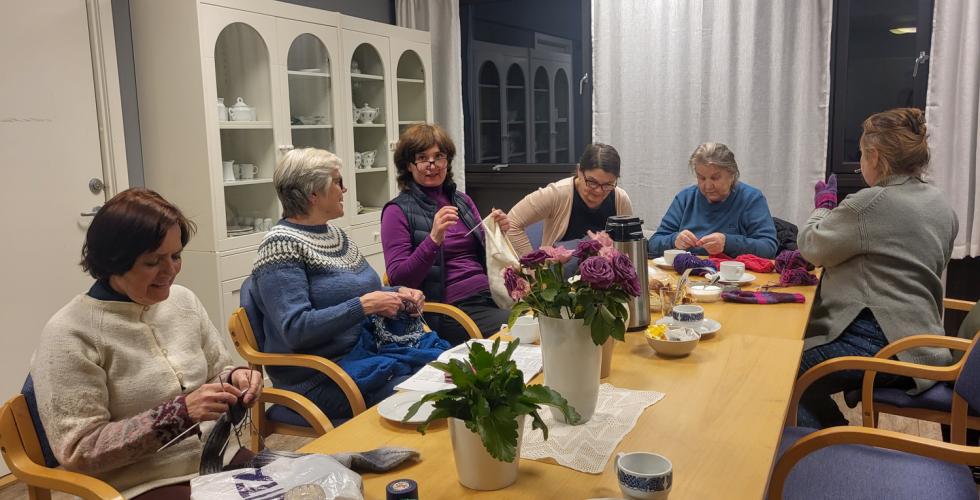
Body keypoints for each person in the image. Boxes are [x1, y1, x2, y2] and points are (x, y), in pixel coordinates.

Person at [32, 188, 263, 499]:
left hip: (218, 461)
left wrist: (236, 380)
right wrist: (181, 413)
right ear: (114, 261)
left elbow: (217, 373)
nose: (170, 271)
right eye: (153, 261)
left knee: (313, 488)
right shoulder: (70, 333)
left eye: (176, 256)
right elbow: (79, 449)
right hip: (138, 485)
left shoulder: (184, 302)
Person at [796, 108, 958, 429]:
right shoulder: (940, 204)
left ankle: (835, 445)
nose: (860, 163)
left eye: (860, 155)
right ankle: (835, 438)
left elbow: (811, 246)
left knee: (784, 372)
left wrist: (823, 206)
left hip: (882, 343)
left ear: (874, 155)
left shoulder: (870, 203)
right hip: (925, 343)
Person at [247, 148, 434, 423]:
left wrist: (398, 295)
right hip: (319, 377)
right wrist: (365, 306)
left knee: (442, 377)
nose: (344, 189)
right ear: (313, 193)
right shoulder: (280, 246)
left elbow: (361, 293)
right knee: (421, 397)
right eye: (337, 182)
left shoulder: (334, 234)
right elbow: (296, 329)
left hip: (363, 356)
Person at [381, 123, 510, 343]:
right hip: (450, 311)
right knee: (523, 327)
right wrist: (433, 239)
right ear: (409, 166)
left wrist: (497, 231)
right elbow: (398, 279)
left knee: (544, 316)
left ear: (447, 161)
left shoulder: (461, 200)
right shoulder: (396, 211)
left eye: (438, 156)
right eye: (422, 158)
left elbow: (485, 255)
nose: (432, 165)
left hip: (491, 296)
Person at [648, 142, 777, 258]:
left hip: (732, 278)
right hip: (686, 275)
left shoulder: (751, 199)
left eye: (715, 178)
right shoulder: (685, 198)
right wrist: (674, 240)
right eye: (701, 178)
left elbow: (768, 248)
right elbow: (653, 243)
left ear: (732, 175)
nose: (708, 186)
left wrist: (728, 243)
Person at [507, 143, 634, 257]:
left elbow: (628, 245)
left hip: (607, 279)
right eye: (592, 182)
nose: (599, 191)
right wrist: (533, 267)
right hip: (561, 279)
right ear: (579, 171)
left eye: (607, 185)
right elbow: (512, 223)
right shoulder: (557, 194)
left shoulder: (620, 199)